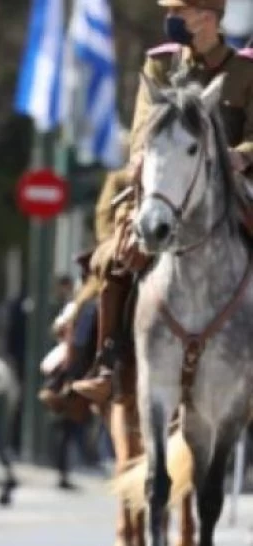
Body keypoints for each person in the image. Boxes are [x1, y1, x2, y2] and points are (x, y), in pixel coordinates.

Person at [72, 0, 253, 403]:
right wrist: (141, 156)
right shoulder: (160, 64)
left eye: (179, 12)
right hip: (166, 188)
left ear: (207, 17)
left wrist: (239, 156)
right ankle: (109, 362)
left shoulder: (246, 71)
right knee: (115, 258)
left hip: (227, 189)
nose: (170, 19)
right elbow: (142, 129)